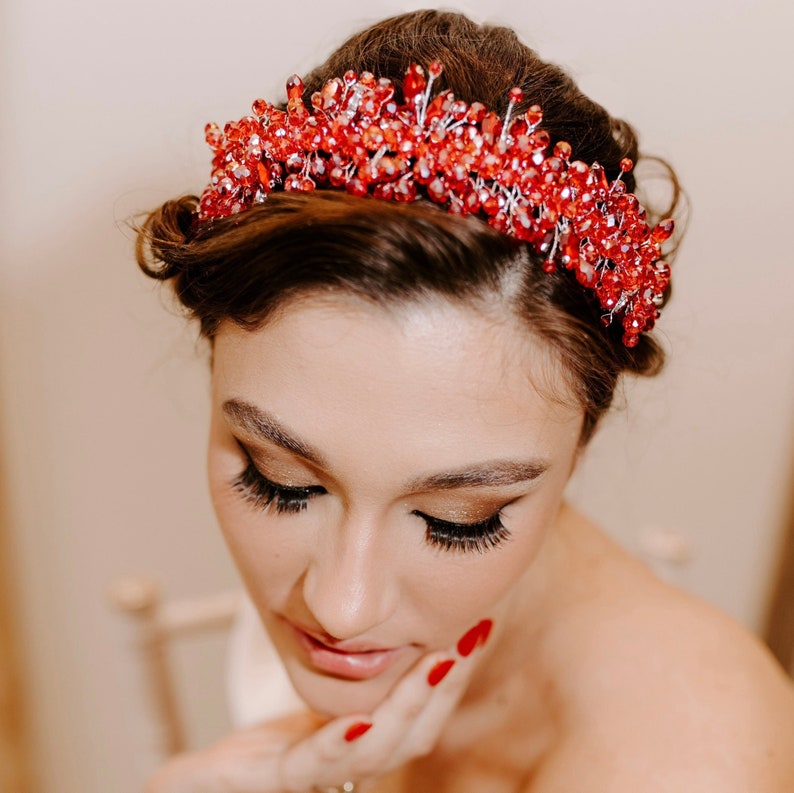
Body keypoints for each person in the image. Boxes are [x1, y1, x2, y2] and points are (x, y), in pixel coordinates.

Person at [135, 9, 794, 792]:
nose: (341, 607)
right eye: (279, 481)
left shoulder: (682, 764)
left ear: (580, 443)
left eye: (458, 522)